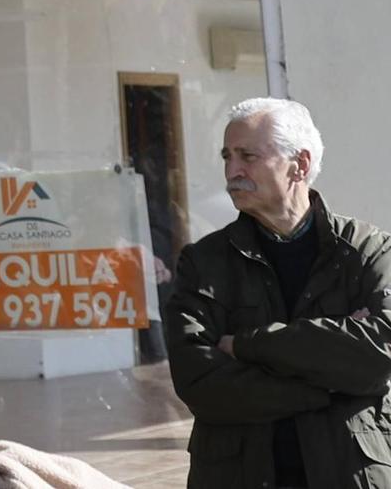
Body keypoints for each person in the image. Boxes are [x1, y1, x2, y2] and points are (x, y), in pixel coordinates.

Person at [165, 97, 391, 488]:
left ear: (299, 165)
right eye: (227, 156)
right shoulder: (202, 263)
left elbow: (380, 355)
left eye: (247, 156)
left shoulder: (368, 251)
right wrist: (333, 382)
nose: (232, 171)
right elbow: (200, 384)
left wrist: (249, 346)